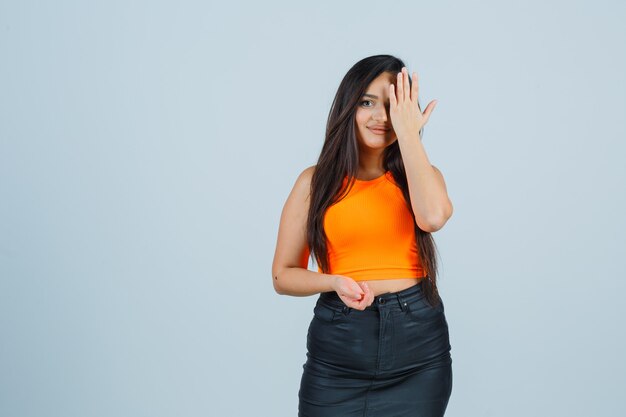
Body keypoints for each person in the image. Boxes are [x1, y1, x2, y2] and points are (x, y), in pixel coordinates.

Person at [271, 54, 454, 417]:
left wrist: (409, 135)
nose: (380, 117)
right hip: (339, 349)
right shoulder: (314, 182)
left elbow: (433, 217)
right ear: (347, 107)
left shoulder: (420, 176)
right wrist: (333, 281)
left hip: (418, 350)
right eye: (367, 102)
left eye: (392, 105)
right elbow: (283, 275)